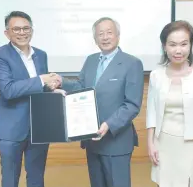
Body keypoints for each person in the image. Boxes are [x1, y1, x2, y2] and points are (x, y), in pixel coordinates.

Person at [54, 17, 144, 187]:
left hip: (116, 140)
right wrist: (61, 81)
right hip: (92, 139)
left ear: (118, 35)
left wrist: (109, 124)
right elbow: (81, 87)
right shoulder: (91, 60)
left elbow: (132, 105)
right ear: (95, 39)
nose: (105, 37)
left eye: (109, 32)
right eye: (100, 34)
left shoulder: (132, 63)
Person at [0, 11, 60, 187]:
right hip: (11, 129)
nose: (22, 32)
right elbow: (8, 90)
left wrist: (52, 89)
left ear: (32, 30)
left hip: (39, 127)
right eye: (16, 29)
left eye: (26, 28)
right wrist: (42, 80)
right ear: (7, 33)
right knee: (10, 178)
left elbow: (40, 87)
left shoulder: (41, 54)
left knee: (37, 177)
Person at [146, 20, 193, 187]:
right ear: (164, 46)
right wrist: (150, 143)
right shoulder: (156, 75)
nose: (178, 50)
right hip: (163, 143)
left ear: (190, 45)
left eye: (184, 44)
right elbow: (151, 112)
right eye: (172, 44)